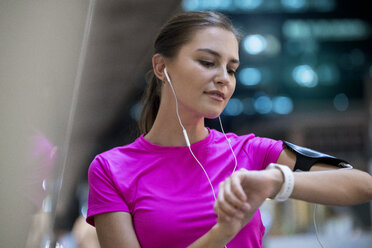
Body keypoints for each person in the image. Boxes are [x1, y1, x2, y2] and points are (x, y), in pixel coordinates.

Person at [86, 11, 372, 248]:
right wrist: (221, 233)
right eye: (208, 62)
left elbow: (361, 184)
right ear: (162, 67)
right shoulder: (112, 170)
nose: (224, 79)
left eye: (231, 69)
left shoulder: (249, 152)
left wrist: (276, 181)